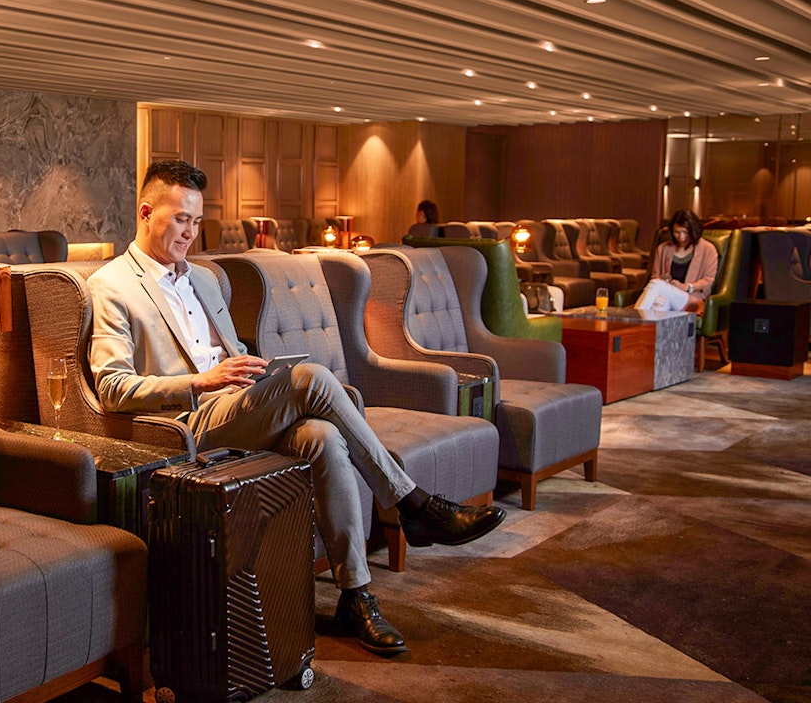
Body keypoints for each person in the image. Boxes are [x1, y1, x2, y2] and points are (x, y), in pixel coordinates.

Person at [88, 160, 505, 656]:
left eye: (196, 221)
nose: (190, 233)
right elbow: (112, 388)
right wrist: (199, 381)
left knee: (322, 437)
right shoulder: (112, 285)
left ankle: (355, 594)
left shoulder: (203, 279)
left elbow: (227, 351)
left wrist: (251, 368)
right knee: (310, 378)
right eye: (180, 219)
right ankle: (412, 503)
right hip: (186, 422)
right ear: (145, 212)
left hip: (237, 404)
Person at [634, 209, 718, 313]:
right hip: (666, 294)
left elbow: (708, 280)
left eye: (685, 232)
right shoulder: (662, 249)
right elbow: (655, 276)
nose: (681, 237)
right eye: (677, 232)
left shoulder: (708, 249)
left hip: (692, 299)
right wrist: (664, 279)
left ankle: (634, 316)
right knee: (660, 303)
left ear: (694, 230)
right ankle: (649, 323)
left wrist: (687, 287)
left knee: (656, 284)